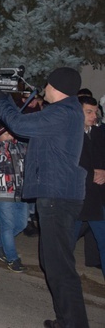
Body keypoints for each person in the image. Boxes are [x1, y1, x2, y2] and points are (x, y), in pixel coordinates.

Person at [0, 67, 88, 328]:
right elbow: (27, 132)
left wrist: (1, 96)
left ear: (55, 86)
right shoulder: (65, 112)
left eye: (47, 83)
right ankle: (66, 320)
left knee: (60, 267)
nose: (43, 87)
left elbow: (20, 124)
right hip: (57, 195)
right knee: (51, 261)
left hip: (58, 197)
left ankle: (74, 324)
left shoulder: (63, 111)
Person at [0, 124, 29, 273]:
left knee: (22, 224)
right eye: (8, 133)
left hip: (20, 191)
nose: (12, 136)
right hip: (1, 191)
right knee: (7, 226)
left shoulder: (20, 145)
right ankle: (12, 259)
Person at [76, 95, 105, 282]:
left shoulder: (99, 133)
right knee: (64, 244)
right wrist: (90, 173)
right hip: (75, 199)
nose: (94, 116)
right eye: (89, 112)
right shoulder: (68, 134)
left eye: (95, 112)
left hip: (97, 198)